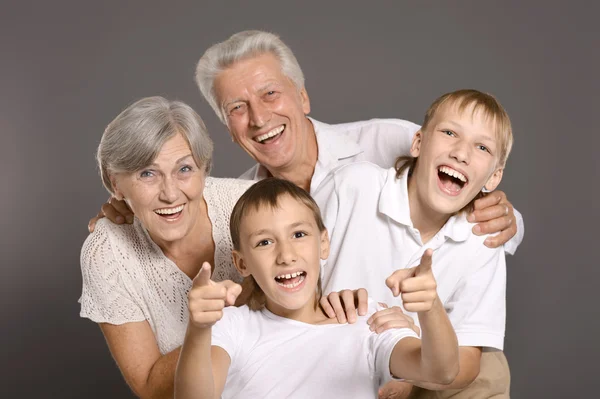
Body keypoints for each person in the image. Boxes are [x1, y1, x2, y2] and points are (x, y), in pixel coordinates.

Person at [174, 178, 459, 399]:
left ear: (323, 244)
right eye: (264, 242)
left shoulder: (364, 318)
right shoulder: (233, 327)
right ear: (242, 263)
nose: (286, 255)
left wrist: (430, 308)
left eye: (299, 235)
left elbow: (441, 371)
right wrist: (199, 329)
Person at [313, 89, 514, 398]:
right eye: (449, 133)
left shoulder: (482, 241)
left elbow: (466, 363)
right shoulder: (353, 186)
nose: (462, 153)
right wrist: (322, 308)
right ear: (419, 142)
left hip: (411, 377)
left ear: (493, 178)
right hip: (320, 365)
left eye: (482, 147)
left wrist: (418, 342)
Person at [79, 96, 254, 398]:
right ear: (115, 184)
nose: (170, 194)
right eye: (147, 173)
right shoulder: (108, 253)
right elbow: (152, 389)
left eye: (184, 169)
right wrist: (217, 318)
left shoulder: (250, 205)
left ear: (204, 169)